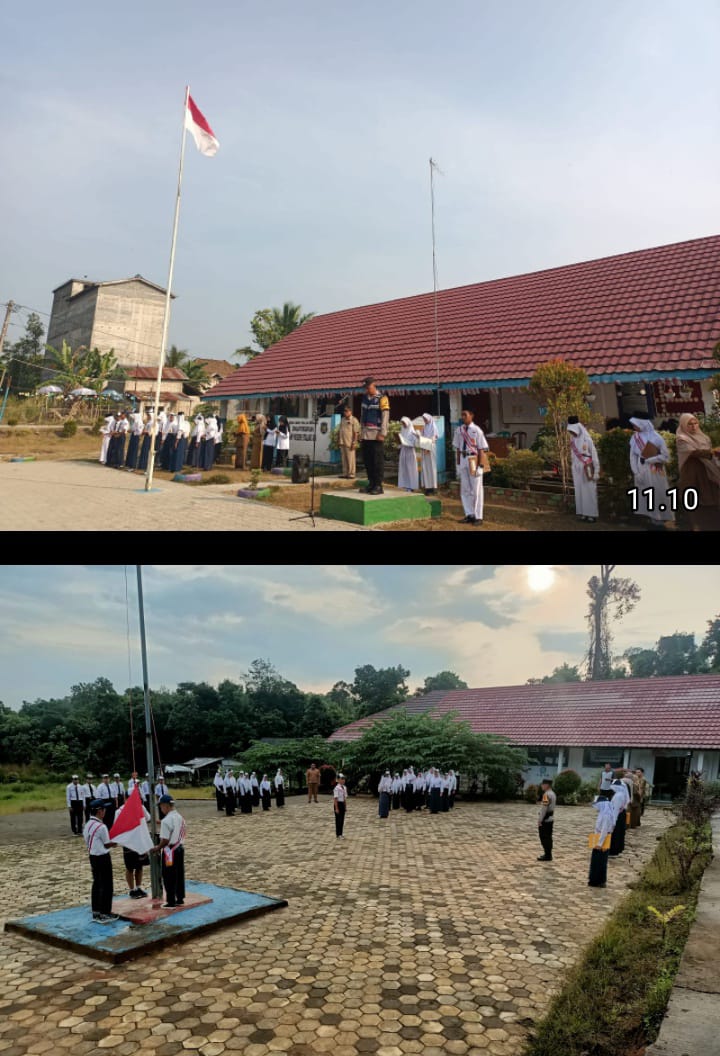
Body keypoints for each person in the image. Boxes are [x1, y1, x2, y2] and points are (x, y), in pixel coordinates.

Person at [675, 412, 720, 531]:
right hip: (692, 472)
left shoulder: (704, 437)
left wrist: (713, 453)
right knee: (693, 498)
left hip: (707, 470)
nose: (694, 426)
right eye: (690, 424)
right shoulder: (682, 438)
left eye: (695, 423)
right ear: (684, 425)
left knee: (711, 496)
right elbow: (694, 452)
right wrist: (712, 452)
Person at [629, 415, 674, 530]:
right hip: (641, 468)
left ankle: (659, 519)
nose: (634, 426)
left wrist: (650, 460)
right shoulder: (635, 438)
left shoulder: (656, 437)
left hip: (654, 469)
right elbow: (633, 456)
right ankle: (651, 518)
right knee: (645, 493)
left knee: (657, 492)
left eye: (636, 424)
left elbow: (665, 456)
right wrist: (636, 472)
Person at [83, 800, 118, 923]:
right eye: (104, 809)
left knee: (97, 883)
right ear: (99, 811)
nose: (105, 812)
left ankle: (96, 911)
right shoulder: (101, 827)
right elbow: (107, 844)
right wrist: (117, 841)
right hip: (102, 857)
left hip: (93, 856)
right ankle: (105, 913)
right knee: (107, 885)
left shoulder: (88, 824)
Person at [453, 408, 489, 525]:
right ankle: (469, 514)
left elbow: (482, 449)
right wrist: (458, 465)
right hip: (463, 459)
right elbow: (458, 448)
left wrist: (481, 466)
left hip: (474, 459)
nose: (463, 417)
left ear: (471, 416)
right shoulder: (459, 430)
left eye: (465, 415)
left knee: (476, 489)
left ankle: (478, 516)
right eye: (462, 415)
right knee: (465, 489)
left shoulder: (477, 430)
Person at [150, 795, 186, 908]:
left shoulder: (166, 821)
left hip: (170, 851)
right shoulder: (179, 817)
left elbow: (165, 840)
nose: (161, 809)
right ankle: (180, 898)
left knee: (169, 876)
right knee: (179, 874)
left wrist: (157, 848)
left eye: (161, 806)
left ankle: (171, 901)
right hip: (179, 848)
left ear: (165, 806)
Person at [113, 795, 150, 900]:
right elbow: (117, 826)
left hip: (139, 840)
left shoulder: (140, 807)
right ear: (125, 799)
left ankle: (138, 887)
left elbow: (148, 818)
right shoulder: (119, 811)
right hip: (128, 842)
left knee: (139, 865)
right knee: (130, 867)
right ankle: (131, 890)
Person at [360, 377, 390, 494]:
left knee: (377, 461)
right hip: (366, 434)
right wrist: (361, 432)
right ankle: (371, 483)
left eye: (368, 387)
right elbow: (362, 415)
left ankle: (378, 485)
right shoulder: (364, 399)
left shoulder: (382, 398)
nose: (367, 390)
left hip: (376, 434)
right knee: (368, 461)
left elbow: (385, 417)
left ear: (374, 385)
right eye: (365, 388)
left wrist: (383, 433)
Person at [567, 417, 600, 522]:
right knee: (579, 491)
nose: (572, 433)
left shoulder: (587, 439)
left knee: (589, 490)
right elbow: (573, 455)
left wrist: (596, 471)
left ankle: (591, 515)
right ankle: (583, 513)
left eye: (573, 431)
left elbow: (594, 455)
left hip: (587, 466)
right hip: (577, 468)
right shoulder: (572, 440)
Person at [588, 796, 615, 888]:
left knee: (600, 861)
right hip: (598, 838)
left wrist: (599, 844)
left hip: (602, 841)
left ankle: (599, 881)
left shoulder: (606, 815)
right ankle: (594, 880)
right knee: (595, 861)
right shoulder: (603, 813)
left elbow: (604, 830)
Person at [608, 774, 630, 857]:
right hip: (621, 815)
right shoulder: (622, 794)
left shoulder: (618, 796)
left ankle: (613, 851)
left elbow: (616, 809)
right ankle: (618, 849)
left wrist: (613, 821)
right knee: (619, 832)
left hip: (617, 815)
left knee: (615, 833)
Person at [338, 404, 361, 479]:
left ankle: (351, 474)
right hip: (342, 442)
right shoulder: (342, 419)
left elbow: (356, 432)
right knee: (344, 459)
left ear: (350, 412)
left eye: (347, 411)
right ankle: (345, 473)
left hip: (350, 442)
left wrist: (354, 442)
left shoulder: (354, 420)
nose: (345, 413)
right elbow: (340, 430)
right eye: (344, 411)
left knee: (350, 459)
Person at [398, 417, 419, 491]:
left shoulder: (412, 432)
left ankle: (412, 486)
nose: (403, 425)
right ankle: (406, 485)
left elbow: (415, 443)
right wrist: (399, 443)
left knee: (411, 469)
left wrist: (407, 443)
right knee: (404, 469)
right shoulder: (403, 430)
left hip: (410, 452)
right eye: (402, 423)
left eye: (404, 423)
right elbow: (401, 440)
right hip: (403, 451)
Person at [419, 413, 439, 494]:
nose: (425, 420)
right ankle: (427, 487)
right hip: (425, 448)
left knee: (431, 467)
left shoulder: (433, 427)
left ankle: (433, 487)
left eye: (426, 419)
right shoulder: (424, 427)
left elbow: (434, 437)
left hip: (430, 448)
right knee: (425, 468)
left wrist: (428, 447)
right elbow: (422, 437)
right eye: (424, 419)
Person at [537, 778, 556, 861]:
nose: (542, 786)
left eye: (543, 784)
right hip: (550, 818)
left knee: (544, 837)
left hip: (545, 819)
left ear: (547, 785)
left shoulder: (546, 795)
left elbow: (544, 808)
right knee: (548, 837)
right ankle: (548, 854)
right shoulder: (553, 793)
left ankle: (547, 855)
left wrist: (540, 820)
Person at [333, 772, 348, 838]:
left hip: (342, 804)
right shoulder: (336, 788)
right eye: (341, 779)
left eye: (344, 779)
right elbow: (335, 799)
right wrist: (336, 808)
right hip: (338, 804)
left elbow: (344, 798)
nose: (343, 780)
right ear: (338, 780)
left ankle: (341, 833)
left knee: (342, 819)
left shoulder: (344, 787)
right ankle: (338, 834)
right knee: (338, 819)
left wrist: (345, 806)